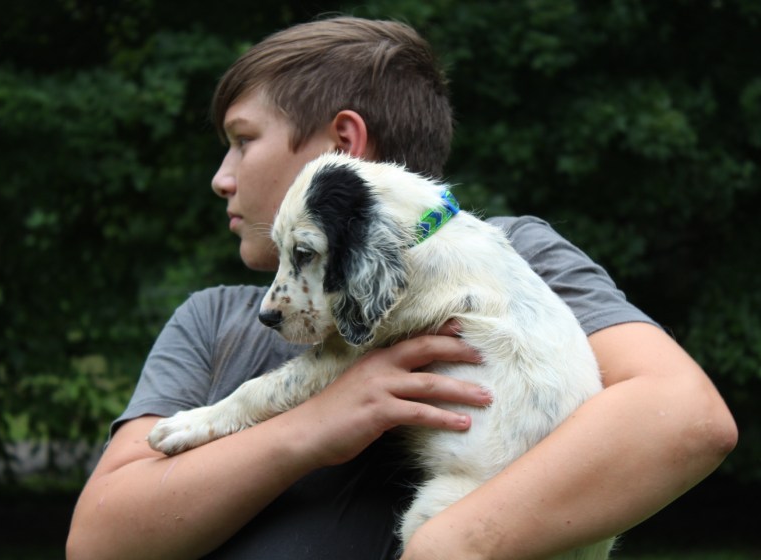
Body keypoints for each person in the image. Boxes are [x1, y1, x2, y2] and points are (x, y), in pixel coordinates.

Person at [66, 16, 737, 560]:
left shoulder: (515, 256)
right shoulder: (214, 321)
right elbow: (98, 543)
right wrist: (315, 426)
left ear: (343, 143)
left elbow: (686, 417)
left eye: (243, 141)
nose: (221, 177)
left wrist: (451, 544)